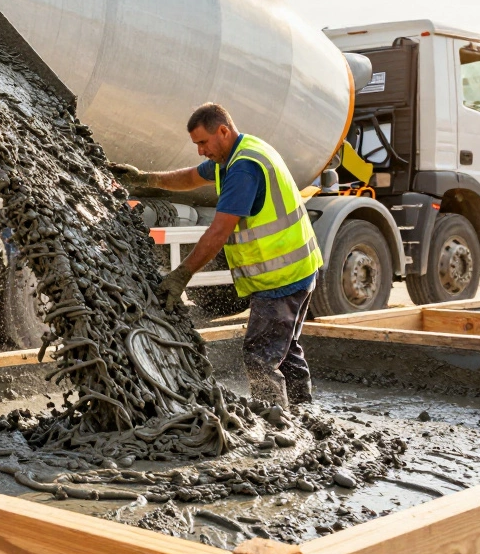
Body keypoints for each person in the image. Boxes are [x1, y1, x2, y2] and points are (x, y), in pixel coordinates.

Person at [109, 103, 323, 407]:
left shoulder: (243, 169)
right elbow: (190, 177)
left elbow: (218, 232)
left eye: (203, 142)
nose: (200, 151)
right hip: (299, 268)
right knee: (285, 349)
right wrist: (146, 179)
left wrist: (182, 275)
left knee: (260, 358)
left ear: (223, 131)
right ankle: (303, 412)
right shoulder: (239, 153)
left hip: (280, 277)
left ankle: (276, 421)